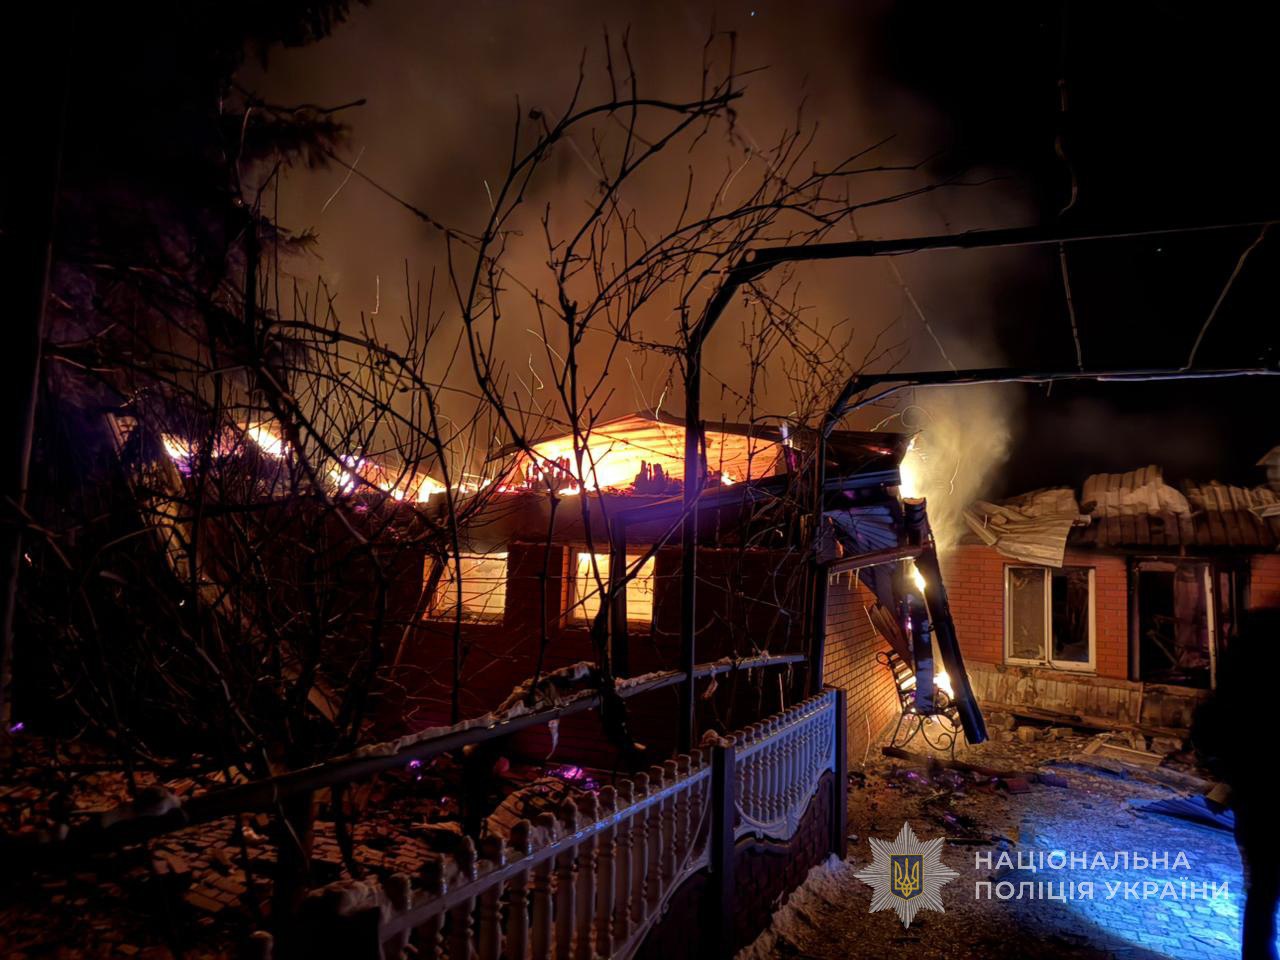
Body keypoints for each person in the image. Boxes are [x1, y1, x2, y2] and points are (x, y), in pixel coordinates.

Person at [1194, 608, 1280, 960]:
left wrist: (1228, 780)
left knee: (1262, 891)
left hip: (1254, 803)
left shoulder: (1237, 684)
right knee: (1264, 889)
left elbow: (1209, 735)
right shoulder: (1251, 692)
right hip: (1259, 798)